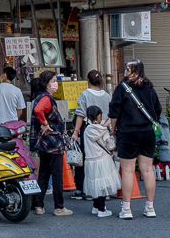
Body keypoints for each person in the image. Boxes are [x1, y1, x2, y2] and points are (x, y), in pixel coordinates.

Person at [106, 59, 161, 219]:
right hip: (147, 132)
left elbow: (114, 112)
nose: (125, 71)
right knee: (147, 170)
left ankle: (127, 209)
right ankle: (150, 207)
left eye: (128, 69)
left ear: (135, 71)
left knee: (128, 170)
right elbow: (158, 109)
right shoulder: (150, 88)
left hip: (128, 133)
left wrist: (113, 129)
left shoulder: (122, 88)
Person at [29, 70, 72, 216]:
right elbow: (39, 110)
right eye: (53, 81)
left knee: (43, 174)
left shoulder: (38, 97)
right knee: (57, 175)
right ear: (46, 84)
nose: (55, 84)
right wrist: (45, 123)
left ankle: (39, 206)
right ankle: (59, 207)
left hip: (43, 143)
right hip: (53, 142)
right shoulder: (46, 98)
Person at [70, 70, 113, 199]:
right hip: (103, 129)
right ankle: (104, 189)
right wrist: (107, 127)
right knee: (103, 159)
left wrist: (76, 132)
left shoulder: (85, 95)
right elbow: (111, 114)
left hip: (88, 130)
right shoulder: (107, 96)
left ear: (88, 81)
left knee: (85, 159)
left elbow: (80, 114)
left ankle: (83, 189)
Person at [83, 105, 119, 218]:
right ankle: (102, 210)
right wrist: (111, 135)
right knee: (102, 185)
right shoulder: (103, 130)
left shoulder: (87, 129)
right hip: (102, 159)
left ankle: (95, 206)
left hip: (90, 161)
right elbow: (110, 146)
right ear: (99, 116)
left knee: (94, 183)